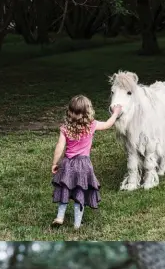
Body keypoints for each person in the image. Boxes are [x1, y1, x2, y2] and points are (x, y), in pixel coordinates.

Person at [51, 95, 122, 229]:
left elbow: (59, 146)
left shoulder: (65, 128)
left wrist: (55, 163)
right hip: (84, 166)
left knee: (65, 190)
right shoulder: (92, 125)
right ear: (88, 111)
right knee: (80, 193)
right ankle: (77, 225)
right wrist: (116, 113)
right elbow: (108, 124)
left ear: (70, 111)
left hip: (68, 164)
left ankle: (60, 216)